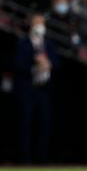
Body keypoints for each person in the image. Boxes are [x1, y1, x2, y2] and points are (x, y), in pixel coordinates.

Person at [13, 13, 58, 163]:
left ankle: (42, 158)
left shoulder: (49, 43)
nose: (40, 26)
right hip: (28, 89)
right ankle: (25, 158)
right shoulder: (23, 43)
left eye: (42, 23)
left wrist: (48, 64)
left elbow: (57, 63)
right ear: (31, 25)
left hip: (44, 90)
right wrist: (35, 66)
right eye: (37, 23)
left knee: (44, 124)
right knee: (25, 124)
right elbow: (17, 64)